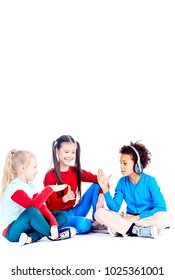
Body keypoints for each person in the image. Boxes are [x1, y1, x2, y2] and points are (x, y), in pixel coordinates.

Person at [95, 141, 171, 239]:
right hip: (128, 218)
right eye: (120, 163)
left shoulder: (150, 181)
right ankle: (139, 230)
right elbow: (115, 208)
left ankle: (125, 229)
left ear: (137, 165)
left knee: (165, 218)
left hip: (146, 217)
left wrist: (137, 217)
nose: (121, 166)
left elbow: (161, 207)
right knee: (99, 213)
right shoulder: (122, 182)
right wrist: (105, 189)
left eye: (125, 163)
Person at [0, 149, 76, 246]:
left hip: (27, 227)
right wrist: (49, 189)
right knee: (32, 211)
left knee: (61, 215)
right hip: (11, 232)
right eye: (34, 167)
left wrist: (53, 223)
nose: (37, 171)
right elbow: (33, 207)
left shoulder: (30, 185)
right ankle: (55, 235)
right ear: (23, 168)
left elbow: (41, 207)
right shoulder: (14, 187)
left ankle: (31, 237)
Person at [43, 135, 107, 234]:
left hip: (73, 211)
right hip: (58, 216)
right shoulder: (50, 176)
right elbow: (53, 206)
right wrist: (65, 198)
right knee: (84, 225)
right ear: (57, 151)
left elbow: (102, 181)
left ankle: (97, 221)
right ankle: (81, 223)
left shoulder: (75, 171)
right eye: (66, 152)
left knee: (96, 185)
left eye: (73, 152)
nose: (70, 156)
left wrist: (102, 195)